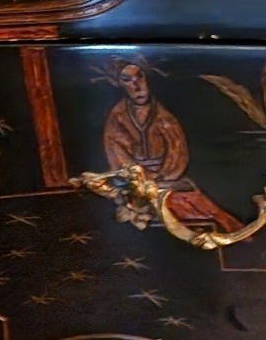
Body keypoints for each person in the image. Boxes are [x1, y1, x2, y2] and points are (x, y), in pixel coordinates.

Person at [102, 61, 238, 231]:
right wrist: (141, 178)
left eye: (140, 76)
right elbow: (117, 153)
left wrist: (163, 175)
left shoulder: (163, 115)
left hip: (168, 179)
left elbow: (177, 150)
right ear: (120, 84)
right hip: (135, 183)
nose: (137, 86)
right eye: (127, 80)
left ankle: (235, 234)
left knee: (200, 207)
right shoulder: (117, 118)